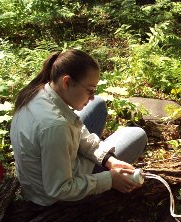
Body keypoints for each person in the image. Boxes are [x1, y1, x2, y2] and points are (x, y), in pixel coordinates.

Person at [10, 49, 147, 206]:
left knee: (98, 104)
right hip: (57, 197)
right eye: (89, 90)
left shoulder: (38, 91)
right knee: (137, 135)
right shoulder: (55, 127)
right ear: (67, 82)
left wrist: (108, 160)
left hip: (47, 172)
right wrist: (110, 179)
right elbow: (60, 189)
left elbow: (78, 130)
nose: (91, 96)